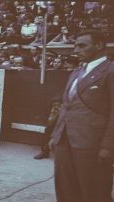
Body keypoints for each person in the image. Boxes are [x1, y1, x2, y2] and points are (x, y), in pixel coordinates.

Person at [50, 30, 114, 202]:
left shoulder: (110, 70)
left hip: (92, 143)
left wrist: (108, 146)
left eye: (82, 46)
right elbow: (66, 106)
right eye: (75, 46)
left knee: (94, 192)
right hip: (64, 140)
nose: (76, 50)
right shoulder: (76, 72)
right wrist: (56, 135)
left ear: (99, 45)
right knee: (66, 190)